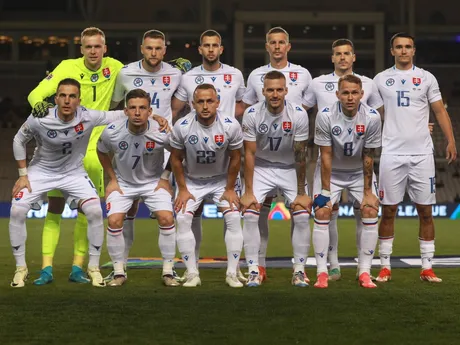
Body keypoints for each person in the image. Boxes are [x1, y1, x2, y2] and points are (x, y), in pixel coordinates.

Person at [26, 27, 125, 284]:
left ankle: (78, 268)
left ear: (105, 49)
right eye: (88, 47)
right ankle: (46, 269)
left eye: (98, 46)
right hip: (64, 149)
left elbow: (144, 73)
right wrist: (40, 105)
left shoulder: (116, 67)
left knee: (88, 212)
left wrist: (174, 66)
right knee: (55, 208)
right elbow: (35, 94)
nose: (93, 51)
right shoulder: (67, 67)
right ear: (81, 49)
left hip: (95, 150)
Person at [9, 78, 128, 288]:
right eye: (62, 95)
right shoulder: (40, 117)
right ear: (56, 98)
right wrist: (22, 174)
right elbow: (19, 140)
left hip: (74, 173)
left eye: (72, 96)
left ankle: (93, 268)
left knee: (94, 211)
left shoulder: (87, 116)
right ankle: (21, 269)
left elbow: (120, 114)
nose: (67, 100)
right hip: (41, 171)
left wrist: (154, 116)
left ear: (78, 100)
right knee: (17, 210)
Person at [374, 33, 457, 283]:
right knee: (388, 211)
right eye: (398, 47)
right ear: (392, 51)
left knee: (426, 212)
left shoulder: (426, 78)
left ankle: (427, 268)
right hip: (391, 153)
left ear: (414, 50)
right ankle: (385, 266)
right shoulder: (381, 79)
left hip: (422, 154)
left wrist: (451, 140)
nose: (403, 51)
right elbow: (375, 114)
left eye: (407, 47)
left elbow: (439, 110)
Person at [303, 39, 384, 281]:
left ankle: (365, 271)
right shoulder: (321, 98)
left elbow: (369, 154)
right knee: (324, 210)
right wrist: (325, 191)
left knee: (369, 209)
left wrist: (369, 191)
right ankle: (325, 270)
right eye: (338, 54)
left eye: (347, 53)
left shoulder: (370, 107)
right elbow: (324, 153)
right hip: (331, 169)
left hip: (359, 170)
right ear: (337, 94)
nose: (350, 97)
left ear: (361, 93)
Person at [170, 30, 246, 282]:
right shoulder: (182, 125)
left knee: (234, 217)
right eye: (200, 102)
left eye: (210, 102)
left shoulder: (231, 124)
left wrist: (230, 187)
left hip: (221, 178)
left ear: (217, 102)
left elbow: (237, 157)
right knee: (183, 218)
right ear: (193, 103)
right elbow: (176, 158)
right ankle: (192, 273)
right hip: (192, 180)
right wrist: (181, 188)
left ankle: (232, 273)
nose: (205, 105)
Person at [109, 30, 183, 282]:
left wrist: (163, 122)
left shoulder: (175, 73)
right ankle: (121, 266)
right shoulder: (126, 73)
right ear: (142, 48)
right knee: (127, 210)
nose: (153, 53)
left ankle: (169, 268)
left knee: (166, 214)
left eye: (158, 48)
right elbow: (117, 105)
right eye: (149, 48)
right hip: (131, 142)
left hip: (161, 146)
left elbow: (178, 103)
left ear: (165, 50)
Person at [240, 26, 312, 282]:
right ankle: (254, 270)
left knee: (302, 215)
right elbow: (248, 154)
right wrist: (248, 191)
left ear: (286, 90)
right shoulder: (251, 114)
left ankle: (299, 271)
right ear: (262, 91)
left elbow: (302, 154)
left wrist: (302, 192)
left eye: (279, 90)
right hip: (261, 167)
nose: (274, 94)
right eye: (270, 90)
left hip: (290, 168)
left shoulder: (299, 114)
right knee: (250, 212)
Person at [97, 89, 176, 287]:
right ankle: (118, 273)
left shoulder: (161, 131)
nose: (137, 112)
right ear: (126, 111)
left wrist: (166, 178)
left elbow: (177, 152)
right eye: (133, 108)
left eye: (142, 108)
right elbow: (101, 151)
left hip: (153, 183)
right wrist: (112, 179)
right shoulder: (112, 131)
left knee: (166, 217)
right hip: (123, 183)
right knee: (114, 221)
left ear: (150, 111)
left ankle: (168, 271)